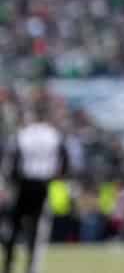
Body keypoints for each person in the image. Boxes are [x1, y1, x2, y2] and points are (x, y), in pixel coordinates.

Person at [1, 106, 67, 273]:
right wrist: (57, 176)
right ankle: (31, 267)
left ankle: (9, 264)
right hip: (43, 184)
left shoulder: (23, 134)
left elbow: (13, 160)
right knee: (37, 230)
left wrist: (11, 182)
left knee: (14, 227)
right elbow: (64, 159)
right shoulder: (53, 134)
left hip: (23, 183)